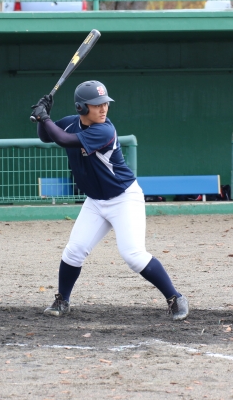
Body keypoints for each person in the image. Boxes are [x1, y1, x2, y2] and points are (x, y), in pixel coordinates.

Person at [31, 80, 189, 320]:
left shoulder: (104, 130)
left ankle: (176, 298)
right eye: (97, 105)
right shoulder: (71, 123)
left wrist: (44, 118)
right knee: (74, 251)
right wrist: (44, 117)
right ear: (81, 108)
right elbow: (47, 136)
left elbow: (63, 139)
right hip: (95, 201)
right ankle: (62, 300)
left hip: (124, 199)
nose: (103, 109)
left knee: (133, 255)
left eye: (105, 103)